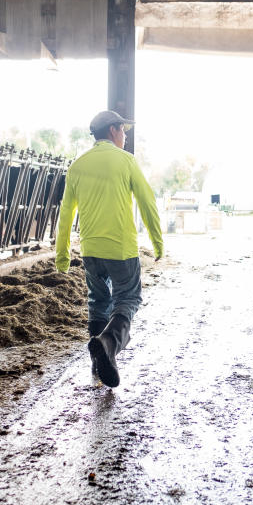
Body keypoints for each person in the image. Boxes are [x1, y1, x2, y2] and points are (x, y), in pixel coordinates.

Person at [55, 110, 164, 388]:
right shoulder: (126, 161)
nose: (126, 136)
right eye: (124, 131)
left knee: (98, 301)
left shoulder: (77, 165)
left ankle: (98, 364)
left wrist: (63, 256)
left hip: (90, 248)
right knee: (128, 300)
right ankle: (107, 344)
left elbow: (66, 213)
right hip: (121, 249)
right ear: (113, 130)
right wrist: (157, 242)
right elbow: (147, 203)